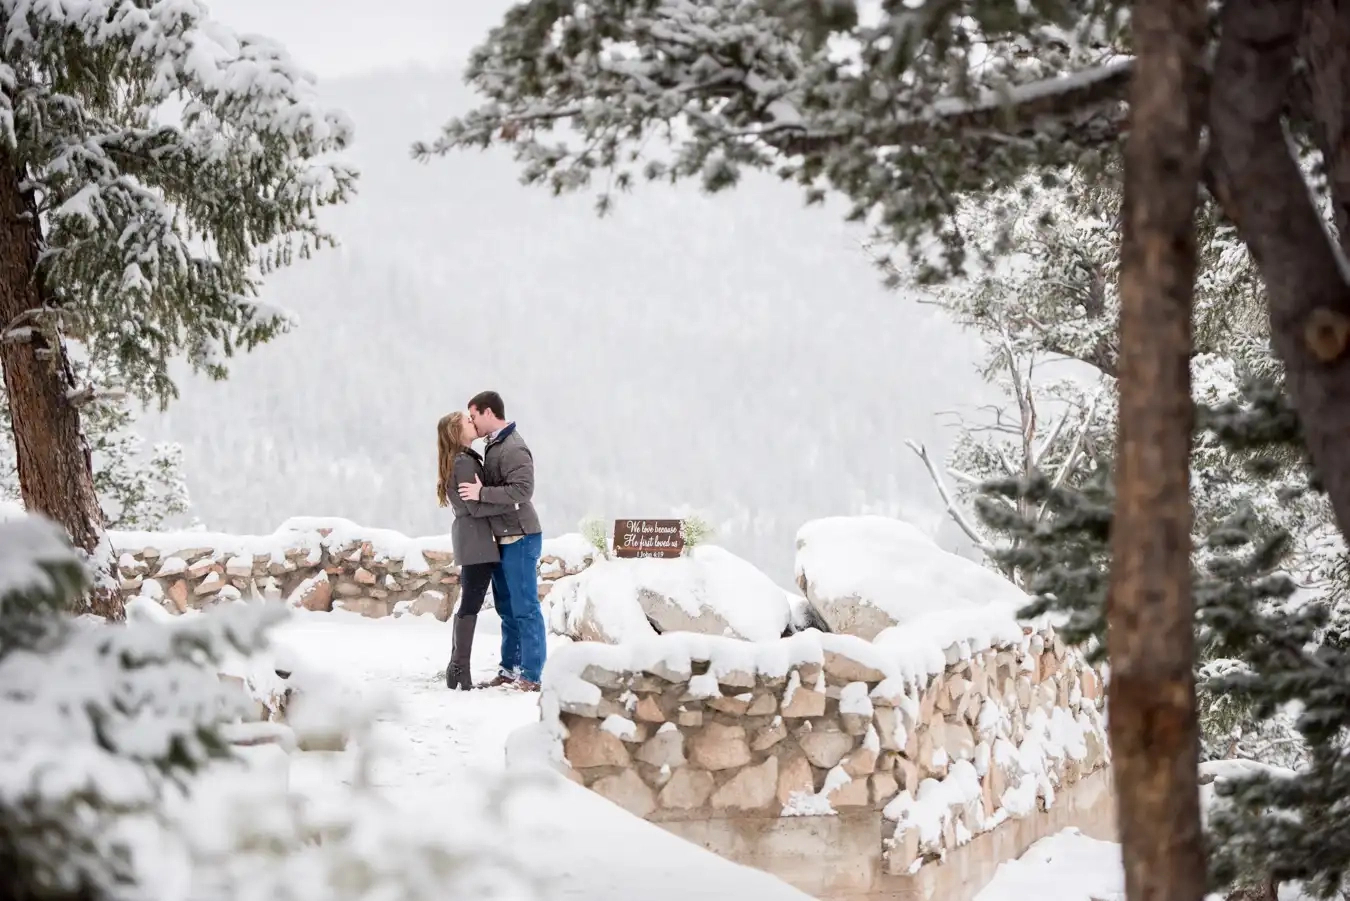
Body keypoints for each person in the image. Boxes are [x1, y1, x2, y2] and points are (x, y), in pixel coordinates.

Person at [458, 390, 546, 692]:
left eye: (473, 416)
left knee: (525, 608)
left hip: (521, 536)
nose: (472, 422)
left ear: (487, 412)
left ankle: (532, 676)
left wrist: (481, 494)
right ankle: (509, 670)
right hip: (503, 539)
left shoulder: (514, 447)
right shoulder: (493, 445)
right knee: (507, 610)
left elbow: (523, 491)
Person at [436, 410, 515, 690]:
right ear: (456, 433)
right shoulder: (464, 463)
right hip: (477, 539)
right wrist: (509, 501)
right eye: (467, 421)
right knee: (471, 601)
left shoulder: (461, 459)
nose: (473, 423)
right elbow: (474, 506)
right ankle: (459, 667)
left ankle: (457, 667)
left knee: (469, 601)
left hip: (472, 538)